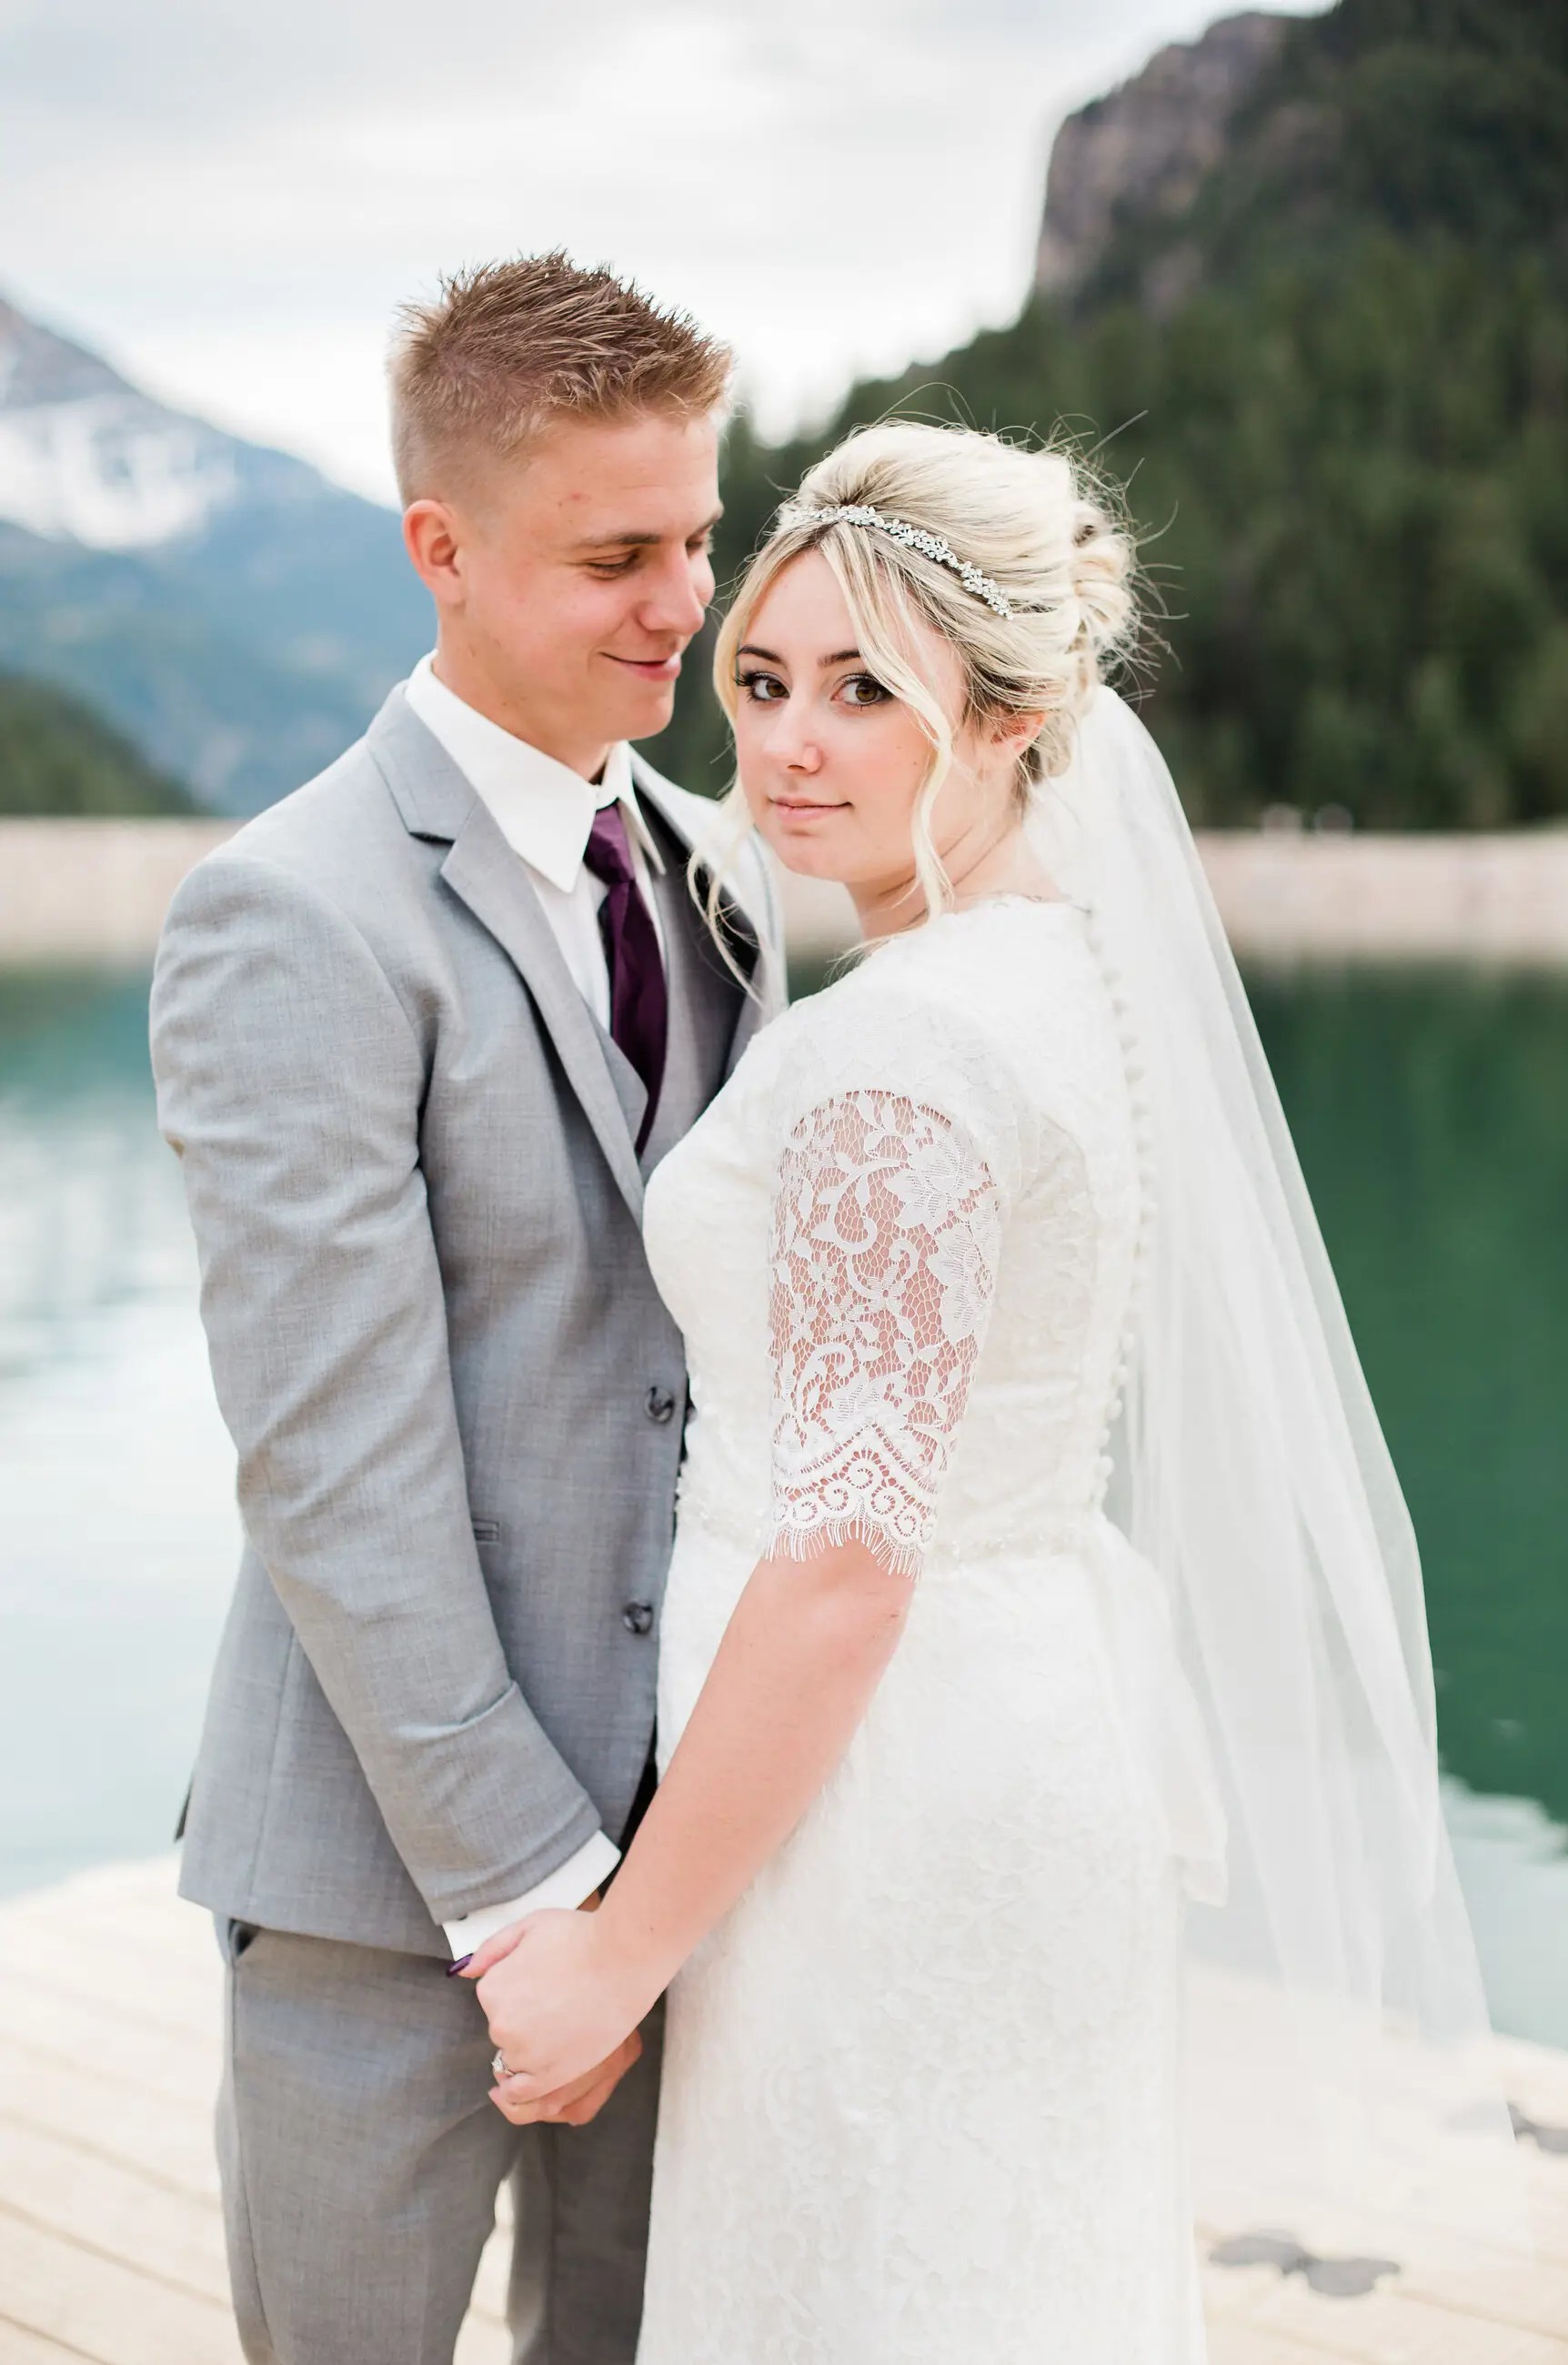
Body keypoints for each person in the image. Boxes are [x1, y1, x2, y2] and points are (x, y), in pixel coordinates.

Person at [467, 418, 1519, 2361]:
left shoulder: (909, 1055)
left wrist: (618, 1953)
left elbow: (851, 1560)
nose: (790, 741)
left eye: (868, 692)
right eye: (764, 681)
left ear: (1020, 711)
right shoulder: (1057, 983)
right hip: (1015, 1736)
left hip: (872, 1796)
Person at [149, 253, 783, 2365]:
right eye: (617, 553)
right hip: (380, 1887)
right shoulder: (289, 910)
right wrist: (530, 1902)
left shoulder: (715, 871)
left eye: (698, 535)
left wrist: (667, 1880)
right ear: (441, 546)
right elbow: (330, 1455)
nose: (682, 605)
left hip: (682, 1866)